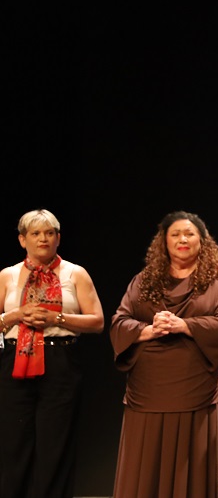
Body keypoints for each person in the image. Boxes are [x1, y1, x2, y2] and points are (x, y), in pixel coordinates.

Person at [109, 211, 218, 498]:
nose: (183, 239)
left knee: (187, 464)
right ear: (164, 242)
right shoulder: (144, 280)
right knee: (144, 463)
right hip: (148, 387)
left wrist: (185, 325)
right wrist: (149, 329)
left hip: (193, 386)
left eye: (190, 234)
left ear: (202, 241)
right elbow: (120, 321)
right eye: (175, 234)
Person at [0, 209, 104, 498]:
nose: (42, 239)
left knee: (54, 447)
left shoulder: (75, 273)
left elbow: (97, 322)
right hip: (14, 361)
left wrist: (55, 319)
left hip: (59, 362)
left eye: (49, 233)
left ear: (58, 238)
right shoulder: (7, 275)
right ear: (23, 240)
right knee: (14, 445)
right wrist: (16, 315)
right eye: (35, 233)